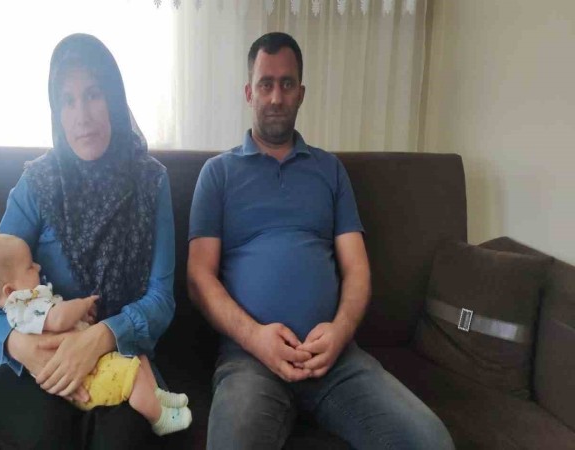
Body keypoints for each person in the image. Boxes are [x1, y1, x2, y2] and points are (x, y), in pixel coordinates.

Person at [187, 32, 455, 450]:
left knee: (431, 441)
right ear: (249, 93)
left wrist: (340, 331)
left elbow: (357, 269)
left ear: (301, 93)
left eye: (287, 84)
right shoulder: (218, 174)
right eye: (265, 84)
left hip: (335, 359)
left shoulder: (329, 171)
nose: (276, 97)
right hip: (250, 360)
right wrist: (256, 338)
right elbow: (198, 277)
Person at [0, 33, 178, 449]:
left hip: (119, 357)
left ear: (114, 99)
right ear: (57, 113)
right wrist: (20, 345)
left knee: (123, 440)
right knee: (40, 434)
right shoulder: (38, 183)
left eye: (93, 95)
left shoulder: (151, 181)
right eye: (68, 101)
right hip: (41, 357)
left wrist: (100, 337)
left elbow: (161, 298)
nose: (82, 116)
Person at [0, 234, 191, 436]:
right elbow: (58, 318)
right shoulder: (25, 306)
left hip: (99, 352)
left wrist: (98, 329)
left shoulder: (31, 300)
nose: (38, 266)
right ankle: (160, 419)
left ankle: (157, 396)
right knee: (132, 376)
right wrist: (82, 304)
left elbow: (160, 298)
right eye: (30, 267)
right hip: (78, 376)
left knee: (138, 357)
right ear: (10, 291)